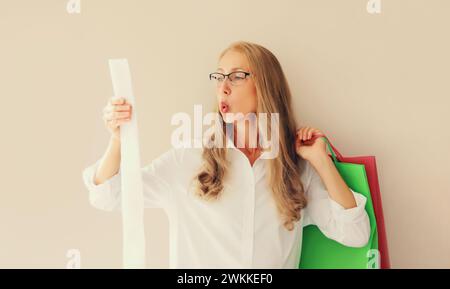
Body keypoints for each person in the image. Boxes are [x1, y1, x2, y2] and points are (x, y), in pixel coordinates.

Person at [82, 41, 370, 269]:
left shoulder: (296, 170)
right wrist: (118, 139)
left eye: (236, 76)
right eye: (218, 77)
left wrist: (321, 162)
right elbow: (108, 196)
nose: (223, 87)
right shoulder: (189, 159)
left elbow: (355, 234)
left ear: (266, 87)